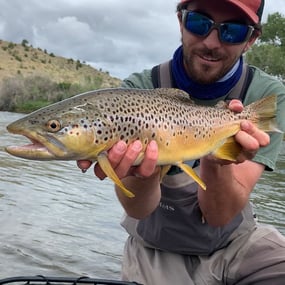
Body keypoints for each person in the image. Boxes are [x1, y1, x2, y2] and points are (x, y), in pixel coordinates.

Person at [78, 0, 285, 284]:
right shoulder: (135, 93)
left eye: (232, 31)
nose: (211, 42)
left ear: (251, 39)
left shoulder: (265, 96)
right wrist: (141, 175)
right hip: (156, 250)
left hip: (236, 243)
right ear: (180, 21)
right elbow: (138, 210)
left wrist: (217, 159)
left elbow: (219, 215)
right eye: (199, 23)